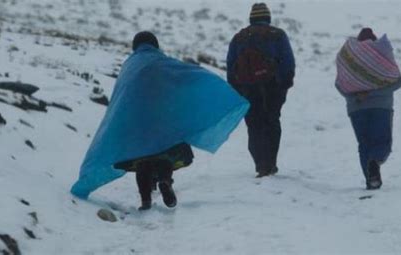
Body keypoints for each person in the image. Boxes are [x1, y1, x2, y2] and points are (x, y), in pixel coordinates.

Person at [71, 31, 249, 210]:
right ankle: (165, 181)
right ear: (155, 44)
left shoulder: (130, 66)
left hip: (136, 123)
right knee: (165, 155)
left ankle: (145, 200)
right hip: (162, 120)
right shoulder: (162, 62)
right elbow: (185, 76)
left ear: (135, 46)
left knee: (142, 161)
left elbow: (120, 99)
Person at [226, 3, 295, 178]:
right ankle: (270, 163)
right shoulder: (277, 35)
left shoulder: (238, 38)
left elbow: (230, 66)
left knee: (254, 125)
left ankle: (260, 164)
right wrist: (285, 84)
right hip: (273, 86)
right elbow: (288, 62)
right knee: (272, 121)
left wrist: (238, 89)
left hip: (247, 88)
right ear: (268, 18)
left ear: (251, 19)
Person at [335, 28, 401, 189]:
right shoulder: (382, 57)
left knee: (364, 144)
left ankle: (370, 179)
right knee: (383, 141)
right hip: (381, 107)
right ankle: (374, 164)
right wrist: (373, 93)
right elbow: (397, 82)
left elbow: (340, 85)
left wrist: (358, 96)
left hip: (356, 109)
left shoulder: (349, 59)